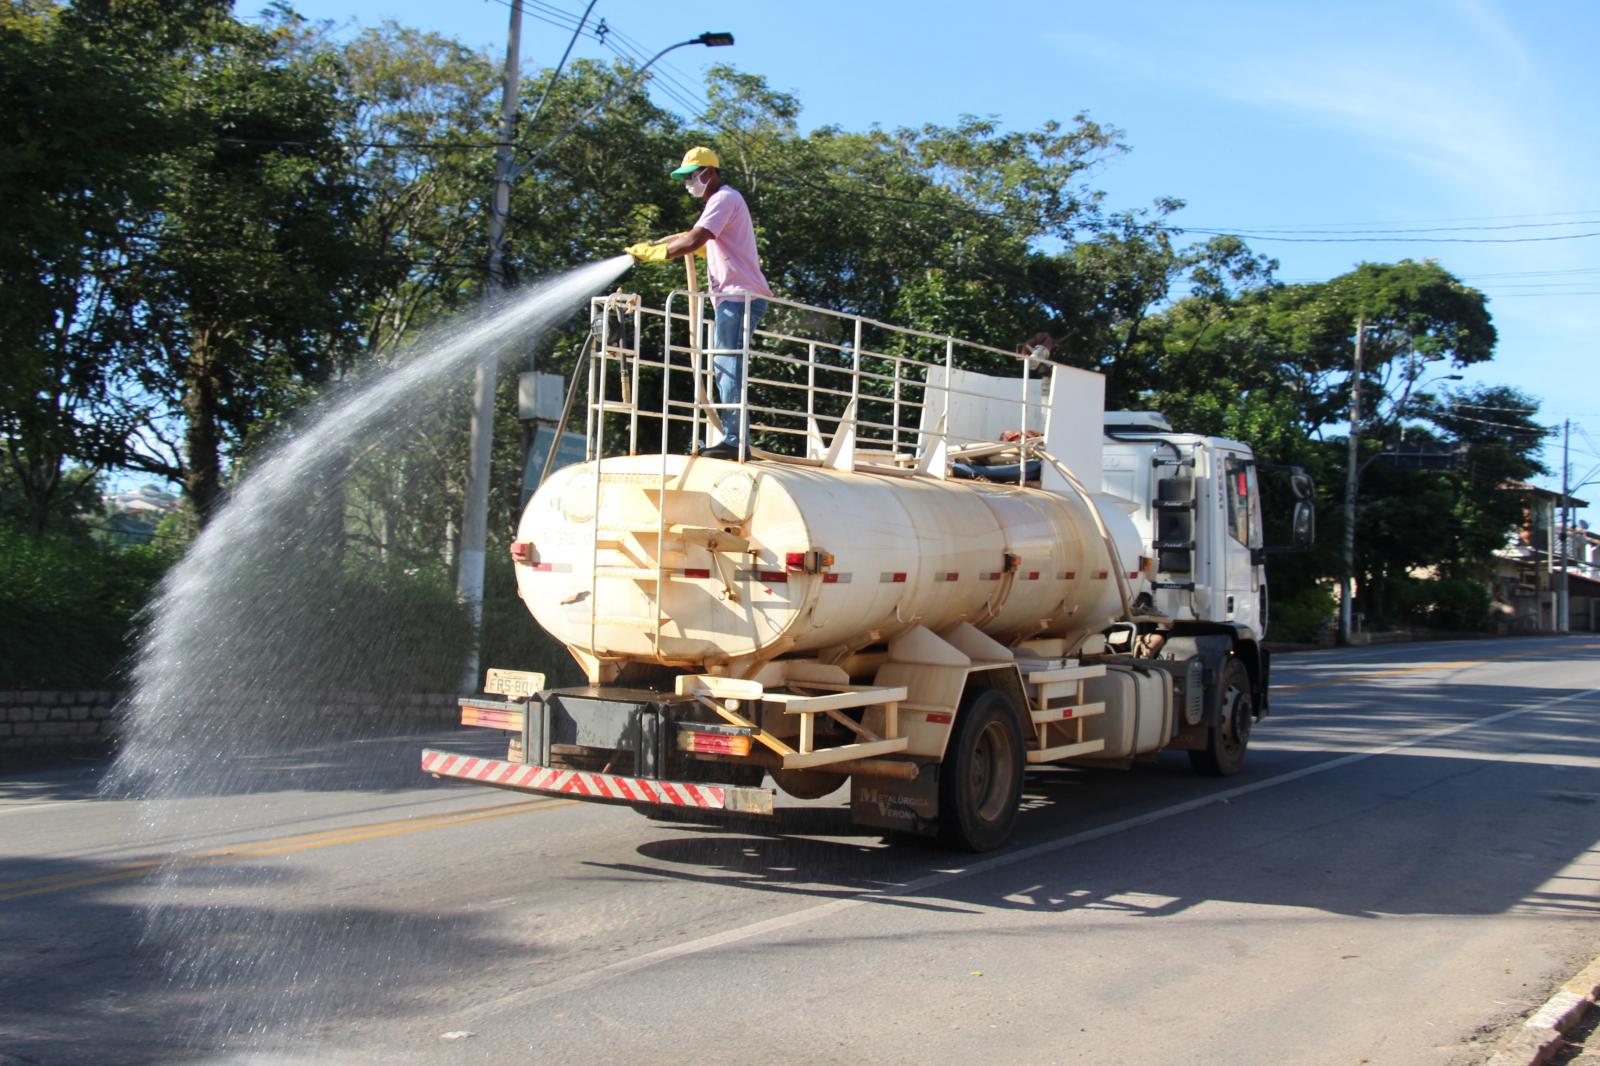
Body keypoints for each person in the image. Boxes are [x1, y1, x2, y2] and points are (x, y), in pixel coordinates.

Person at [628, 146, 771, 460]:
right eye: (685, 178)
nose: (689, 183)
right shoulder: (723, 202)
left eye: (692, 176)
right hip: (735, 296)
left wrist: (656, 253)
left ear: (710, 172)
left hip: (738, 296)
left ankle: (735, 441)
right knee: (726, 364)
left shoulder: (723, 198)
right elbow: (702, 240)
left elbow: (693, 240)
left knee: (727, 365)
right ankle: (734, 438)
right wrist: (658, 245)